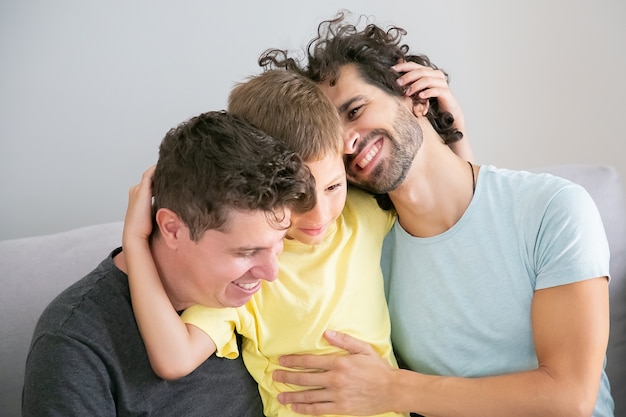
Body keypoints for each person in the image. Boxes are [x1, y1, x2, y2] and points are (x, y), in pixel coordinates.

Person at [264, 12, 615, 417]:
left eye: (355, 110)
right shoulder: (363, 247)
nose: (345, 142)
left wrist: (392, 389)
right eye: (330, 136)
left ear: (414, 95)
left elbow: (567, 398)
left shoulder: (554, 208)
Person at [123, 69, 408, 417]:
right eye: (299, 197)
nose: (319, 215)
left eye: (333, 187)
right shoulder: (249, 274)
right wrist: (135, 242)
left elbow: (451, 215)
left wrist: (456, 134)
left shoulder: (361, 214)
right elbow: (174, 359)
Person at [22, 110, 316, 416]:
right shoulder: (73, 344)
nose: (271, 274)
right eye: (245, 252)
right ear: (173, 229)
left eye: (279, 242)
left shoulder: (260, 293)